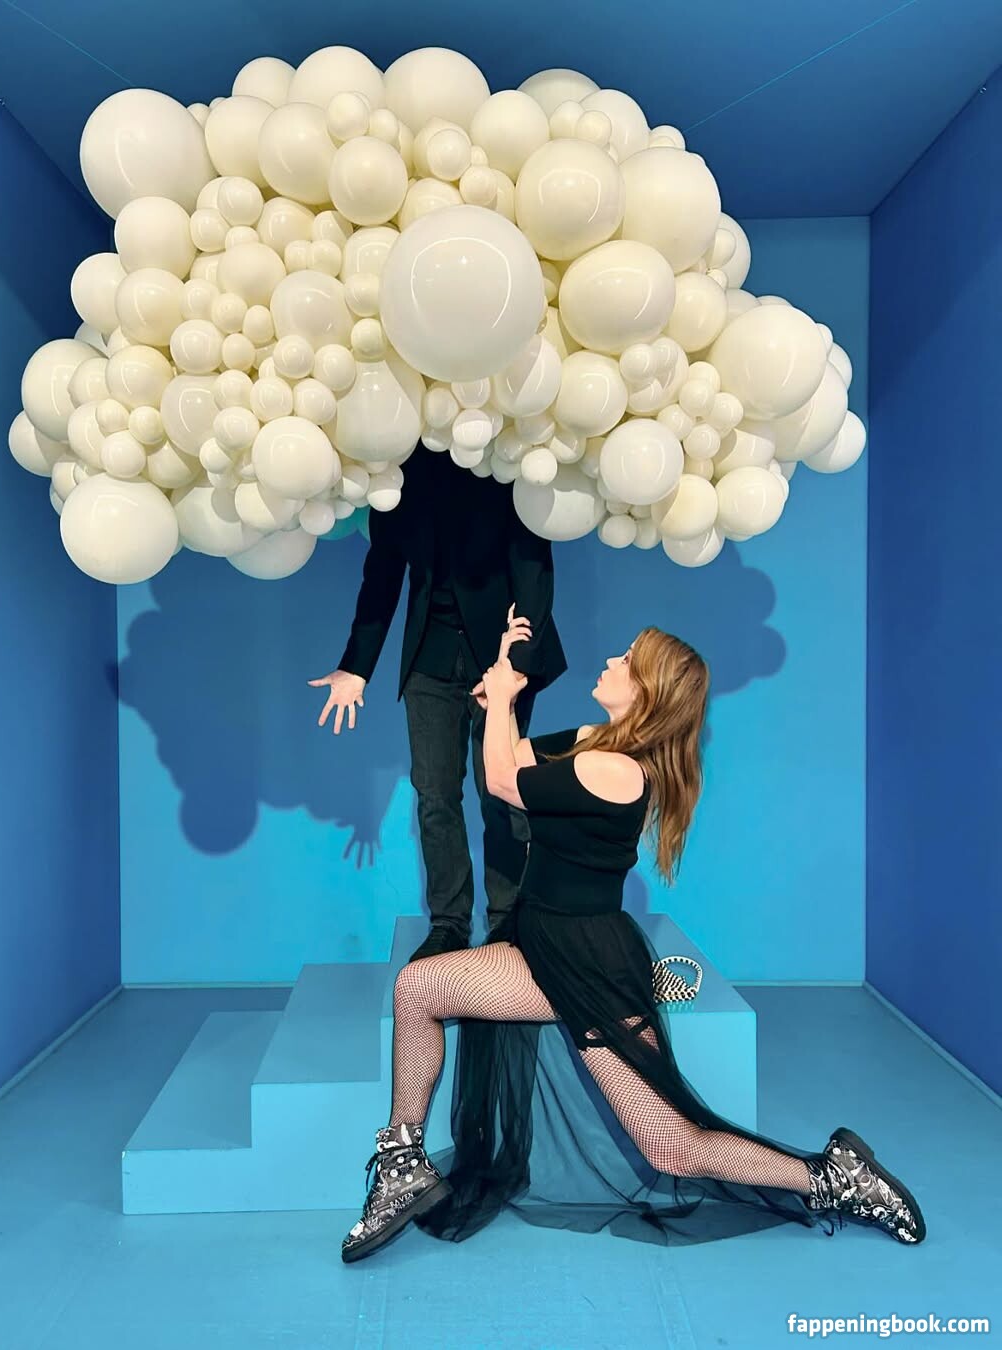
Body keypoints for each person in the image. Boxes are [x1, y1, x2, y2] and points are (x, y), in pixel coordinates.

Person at [339, 614, 926, 1262]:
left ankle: (834, 1177)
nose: (611, 661)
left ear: (647, 691)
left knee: (671, 1146)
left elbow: (504, 784)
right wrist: (500, 688)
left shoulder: (619, 770)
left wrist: (503, 698)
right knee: (418, 987)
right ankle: (402, 1165)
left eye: (626, 660)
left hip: (588, 965)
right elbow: (516, 761)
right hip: (542, 946)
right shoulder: (593, 742)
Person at [309, 445, 566, 963]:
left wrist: (517, 665)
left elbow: (533, 561)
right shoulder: (396, 466)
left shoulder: (501, 453)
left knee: (501, 790)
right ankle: (449, 923)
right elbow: (383, 571)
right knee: (434, 795)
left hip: (499, 655)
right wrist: (356, 667)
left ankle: (509, 920)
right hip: (430, 657)